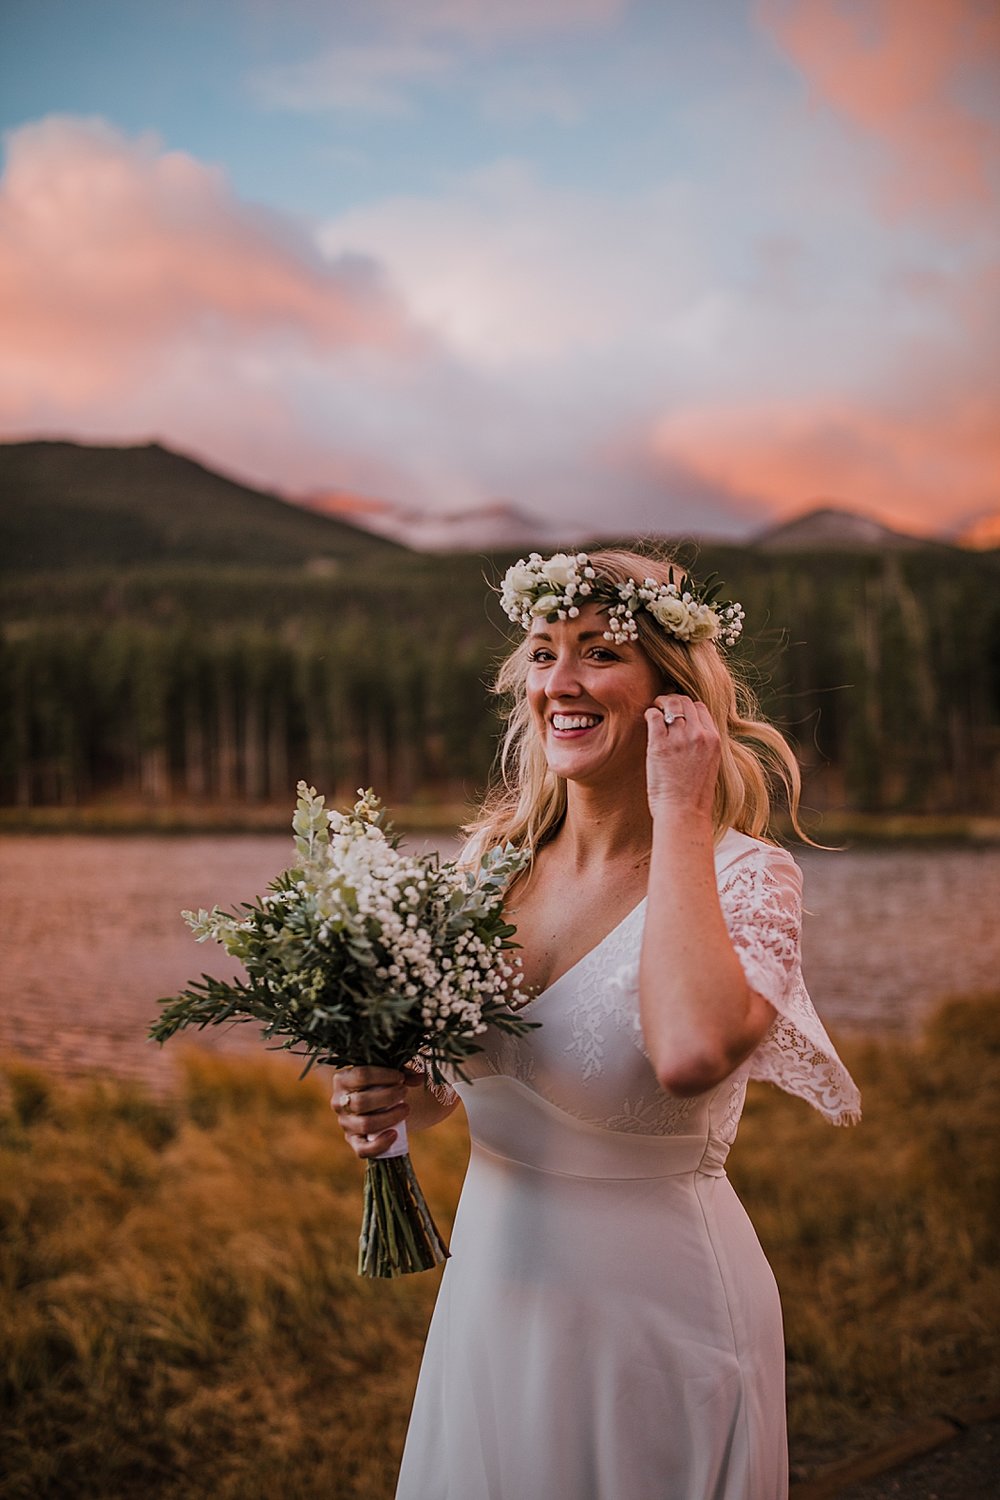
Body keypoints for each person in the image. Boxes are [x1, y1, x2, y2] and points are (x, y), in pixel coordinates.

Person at [331, 547, 860, 1500]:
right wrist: (394, 1097)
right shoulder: (491, 869)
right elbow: (457, 1091)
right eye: (542, 652)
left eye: (600, 653)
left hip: (657, 1322)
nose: (561, 683)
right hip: (493, 1296)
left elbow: (692, 1053)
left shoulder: (746, 878)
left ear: (674, 692)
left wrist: (679, 809)